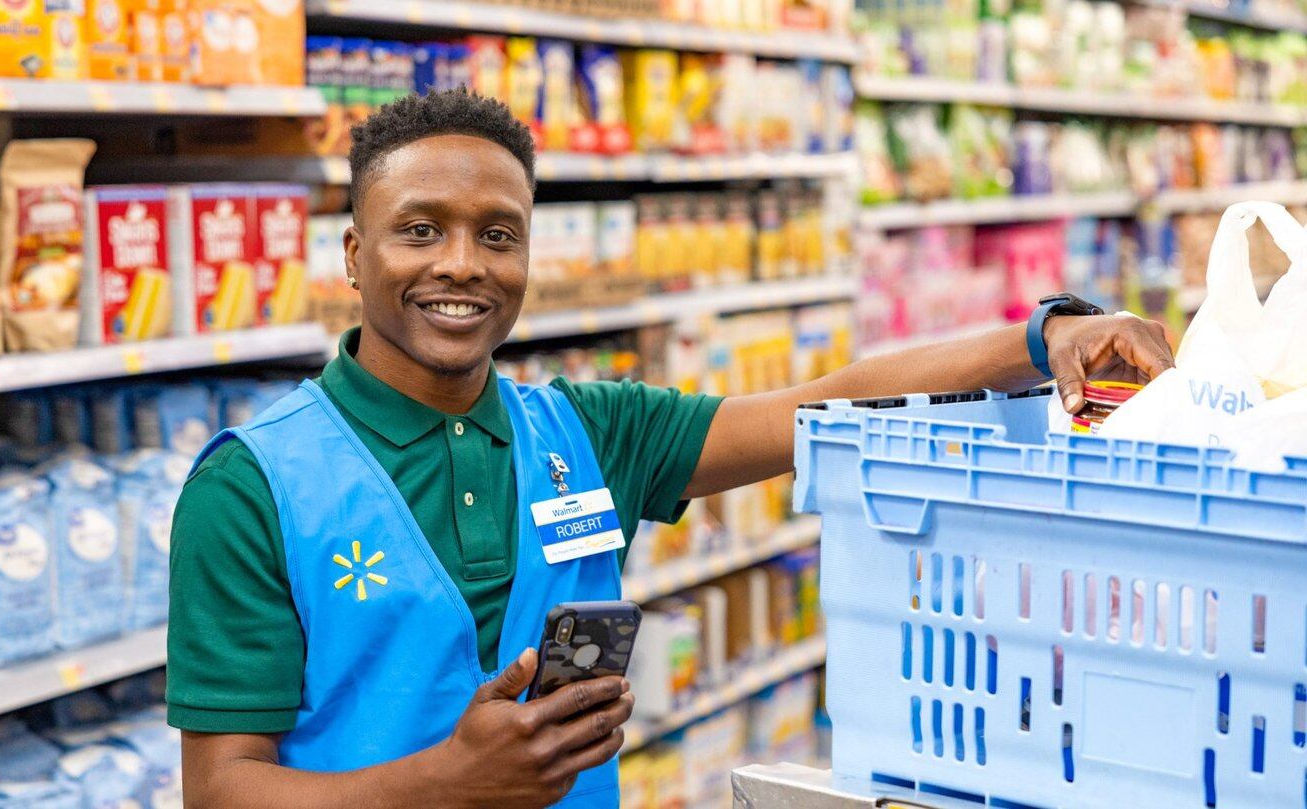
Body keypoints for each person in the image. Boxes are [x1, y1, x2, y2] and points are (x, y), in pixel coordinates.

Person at [168, 89, 1174, 809]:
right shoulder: (252, 484)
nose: (462, 265)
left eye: (499, 234)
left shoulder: (589, 431)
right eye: (419, 230)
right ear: (354, 254)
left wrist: (1049, 334)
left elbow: (826, 399)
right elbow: (221, 787)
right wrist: (450, 785)